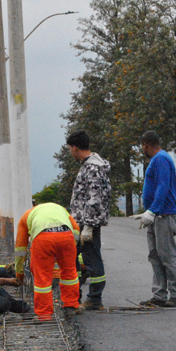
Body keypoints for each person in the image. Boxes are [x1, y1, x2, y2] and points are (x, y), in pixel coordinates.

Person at [132, 130, 176, 307]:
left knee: (167, 256)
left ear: (146, 145)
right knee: (155, 256)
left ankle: (175, 295)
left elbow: (162, 186)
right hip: (156, 216)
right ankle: (159, 295)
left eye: (142, 147)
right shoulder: (158, 159)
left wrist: (152, 210)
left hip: (164, 215)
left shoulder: (160, 159)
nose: (142, 150)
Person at [66, 129, 111, 311]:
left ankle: (94, 298)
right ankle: (75, 296)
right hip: (81, 223)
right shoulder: (90, 165)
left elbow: (94, 198)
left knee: (92, 260)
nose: (70, 152)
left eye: (70, 148)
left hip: (86, 224)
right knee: (76, 259)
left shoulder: (92, 167)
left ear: (75, 148)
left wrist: (89, 226)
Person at [14, 202, 82, 318]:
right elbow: (75, 228)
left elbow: (20, 249)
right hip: (66, 235)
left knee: (42, 277)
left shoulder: (26, 216)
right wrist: (71, 245)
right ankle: (71, 305)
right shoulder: (60, 208)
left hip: (43, 239)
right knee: (69, 271)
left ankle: (44, 314)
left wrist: (19, 273)